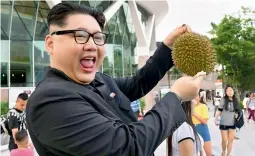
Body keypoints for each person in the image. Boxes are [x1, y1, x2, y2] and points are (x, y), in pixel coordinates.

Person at [26, 2, 206, 156]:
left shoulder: (100, 81)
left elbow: (139, 83)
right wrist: (176, 97)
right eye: (80, 36)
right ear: (51, 44)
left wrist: (167, 47)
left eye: (98, 37)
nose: (92, 46)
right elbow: (127, 148)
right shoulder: (50, 100)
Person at [215, 85, 240, 156]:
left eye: (231, 90)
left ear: (233, 91)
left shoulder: (236, 100)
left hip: (232, 123)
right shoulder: (223, 99)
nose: (230, 92)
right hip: (224, 123)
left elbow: (237, 110)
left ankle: (228, 154)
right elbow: (219, 110)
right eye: (228, 90)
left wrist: (237, 114)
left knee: (231, 140)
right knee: (224, 140)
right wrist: (216, 119)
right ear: (226, 92)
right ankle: (223, 151)